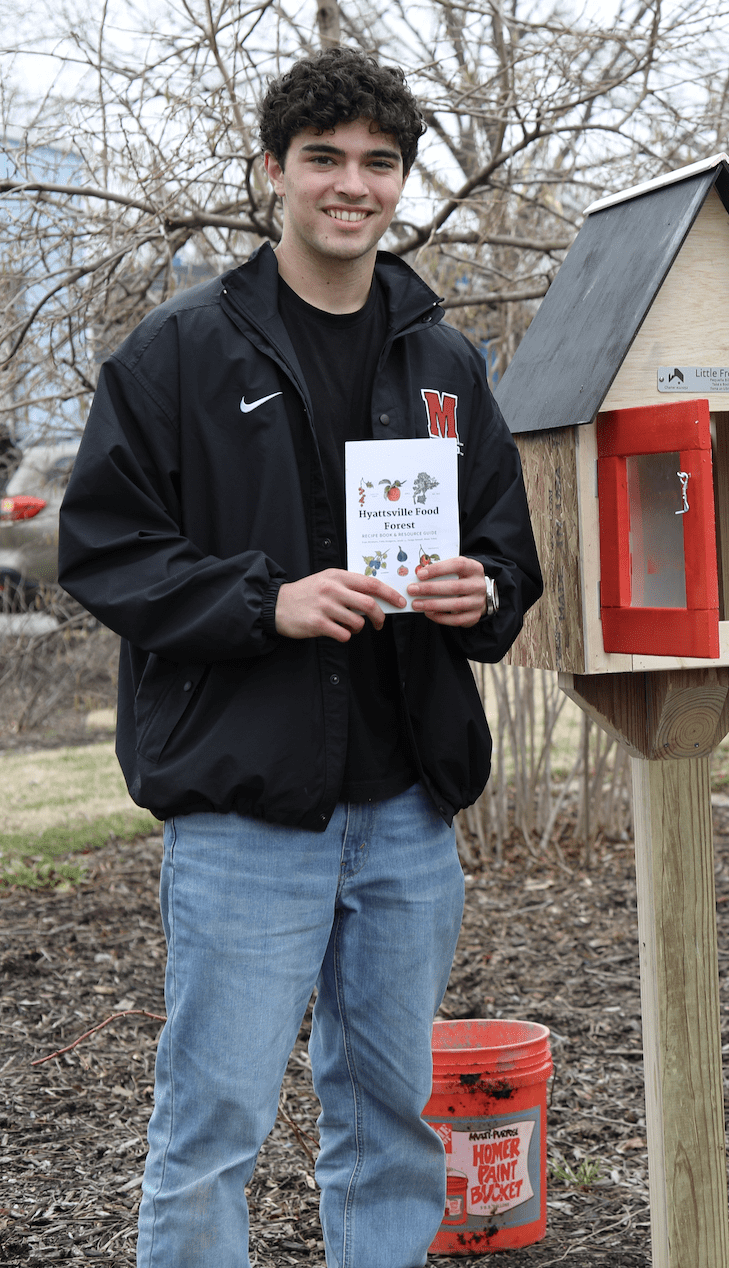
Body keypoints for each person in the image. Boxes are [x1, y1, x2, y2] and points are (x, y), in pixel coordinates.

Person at [58, 48, 543, 1268]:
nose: (352, 184)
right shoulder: (177, 354)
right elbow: (104, 551)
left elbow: (509, 560)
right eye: (323, 158)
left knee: (392, 1123)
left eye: (379, 162)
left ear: (401, 182)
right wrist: (260, 603)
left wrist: (476, 589)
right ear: (273, 172)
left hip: (406, 813)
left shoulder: (444, 362)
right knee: (211, 1129)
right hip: (244, 815)